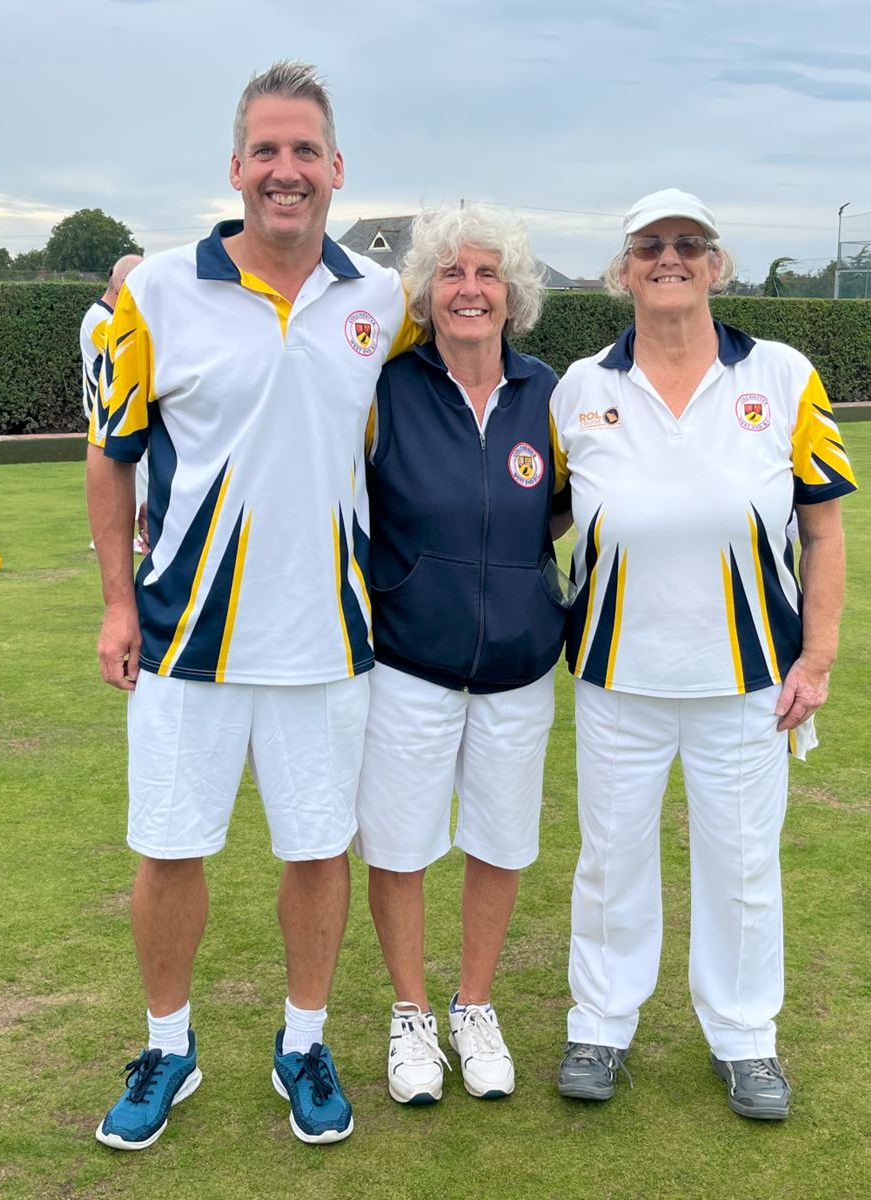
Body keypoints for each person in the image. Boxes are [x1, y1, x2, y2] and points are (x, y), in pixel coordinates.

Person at [86, 59, 421, 1149]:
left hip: (327, 638)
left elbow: (462, 363)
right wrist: (115, 604)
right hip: (186, 634)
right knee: (169, 849)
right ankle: (168, 1048)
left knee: (317, 850)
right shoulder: (157, 291)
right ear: (236, 168)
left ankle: (303, 1041)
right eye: (266, 151)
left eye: (305, 151)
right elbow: (111, 459)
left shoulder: (380, 299)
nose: (286, 170)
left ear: (336, 170)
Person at [549, 189, 857, 1119]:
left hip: (747, 681)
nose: (669, 259)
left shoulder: (785, 374)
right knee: (609, 859)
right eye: (650, 246)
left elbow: (824, 530)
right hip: (615, 678)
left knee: (742, 862)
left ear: (717, 265)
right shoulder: (580, 388)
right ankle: (600, 1025)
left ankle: (746, 1040)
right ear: (624, 269)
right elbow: (537, 516)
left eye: (689, 245)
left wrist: (819, 656)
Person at [353, 205, 570, 1105]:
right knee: (400, 847)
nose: (470, 289)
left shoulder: (549, 393)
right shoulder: (387, 387)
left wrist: (518, 578)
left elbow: (566, 506)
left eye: (487, 275)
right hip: (409, 661)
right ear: (427, 293)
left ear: (513, 296)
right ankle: (411, 1017)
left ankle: (473, 1006)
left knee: (501, 842)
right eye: (451, 274)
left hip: (519, 666)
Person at [80, 255, 146, 553]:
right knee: (122, 473)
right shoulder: (100, 319)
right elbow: (130, 352)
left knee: (141, 470)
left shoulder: (116, 316)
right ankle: (108, 536)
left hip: (122, 411)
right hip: (107, 413)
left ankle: (133, 531)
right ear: (122, 287)